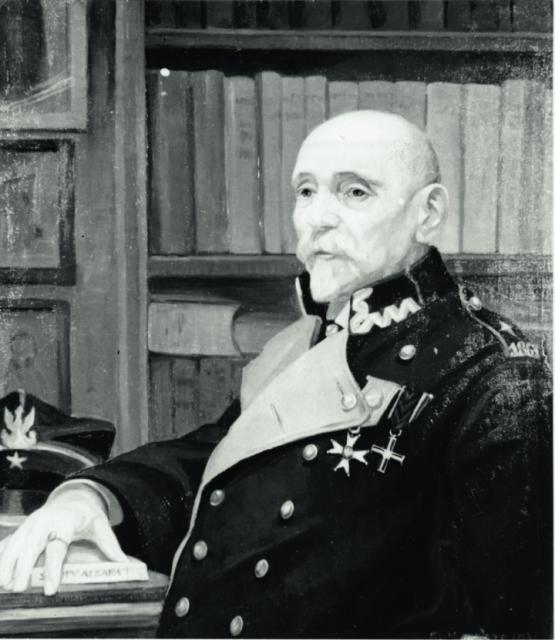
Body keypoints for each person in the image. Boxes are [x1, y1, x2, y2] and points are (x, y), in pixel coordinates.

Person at [0, 111, 551, 638]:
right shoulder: (309, 340)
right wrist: (93, 497)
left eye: (355, 192)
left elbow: (519, 619)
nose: (317, 218)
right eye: (306, 191)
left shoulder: (495, 376)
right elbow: (221, 464)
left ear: (428, 213)